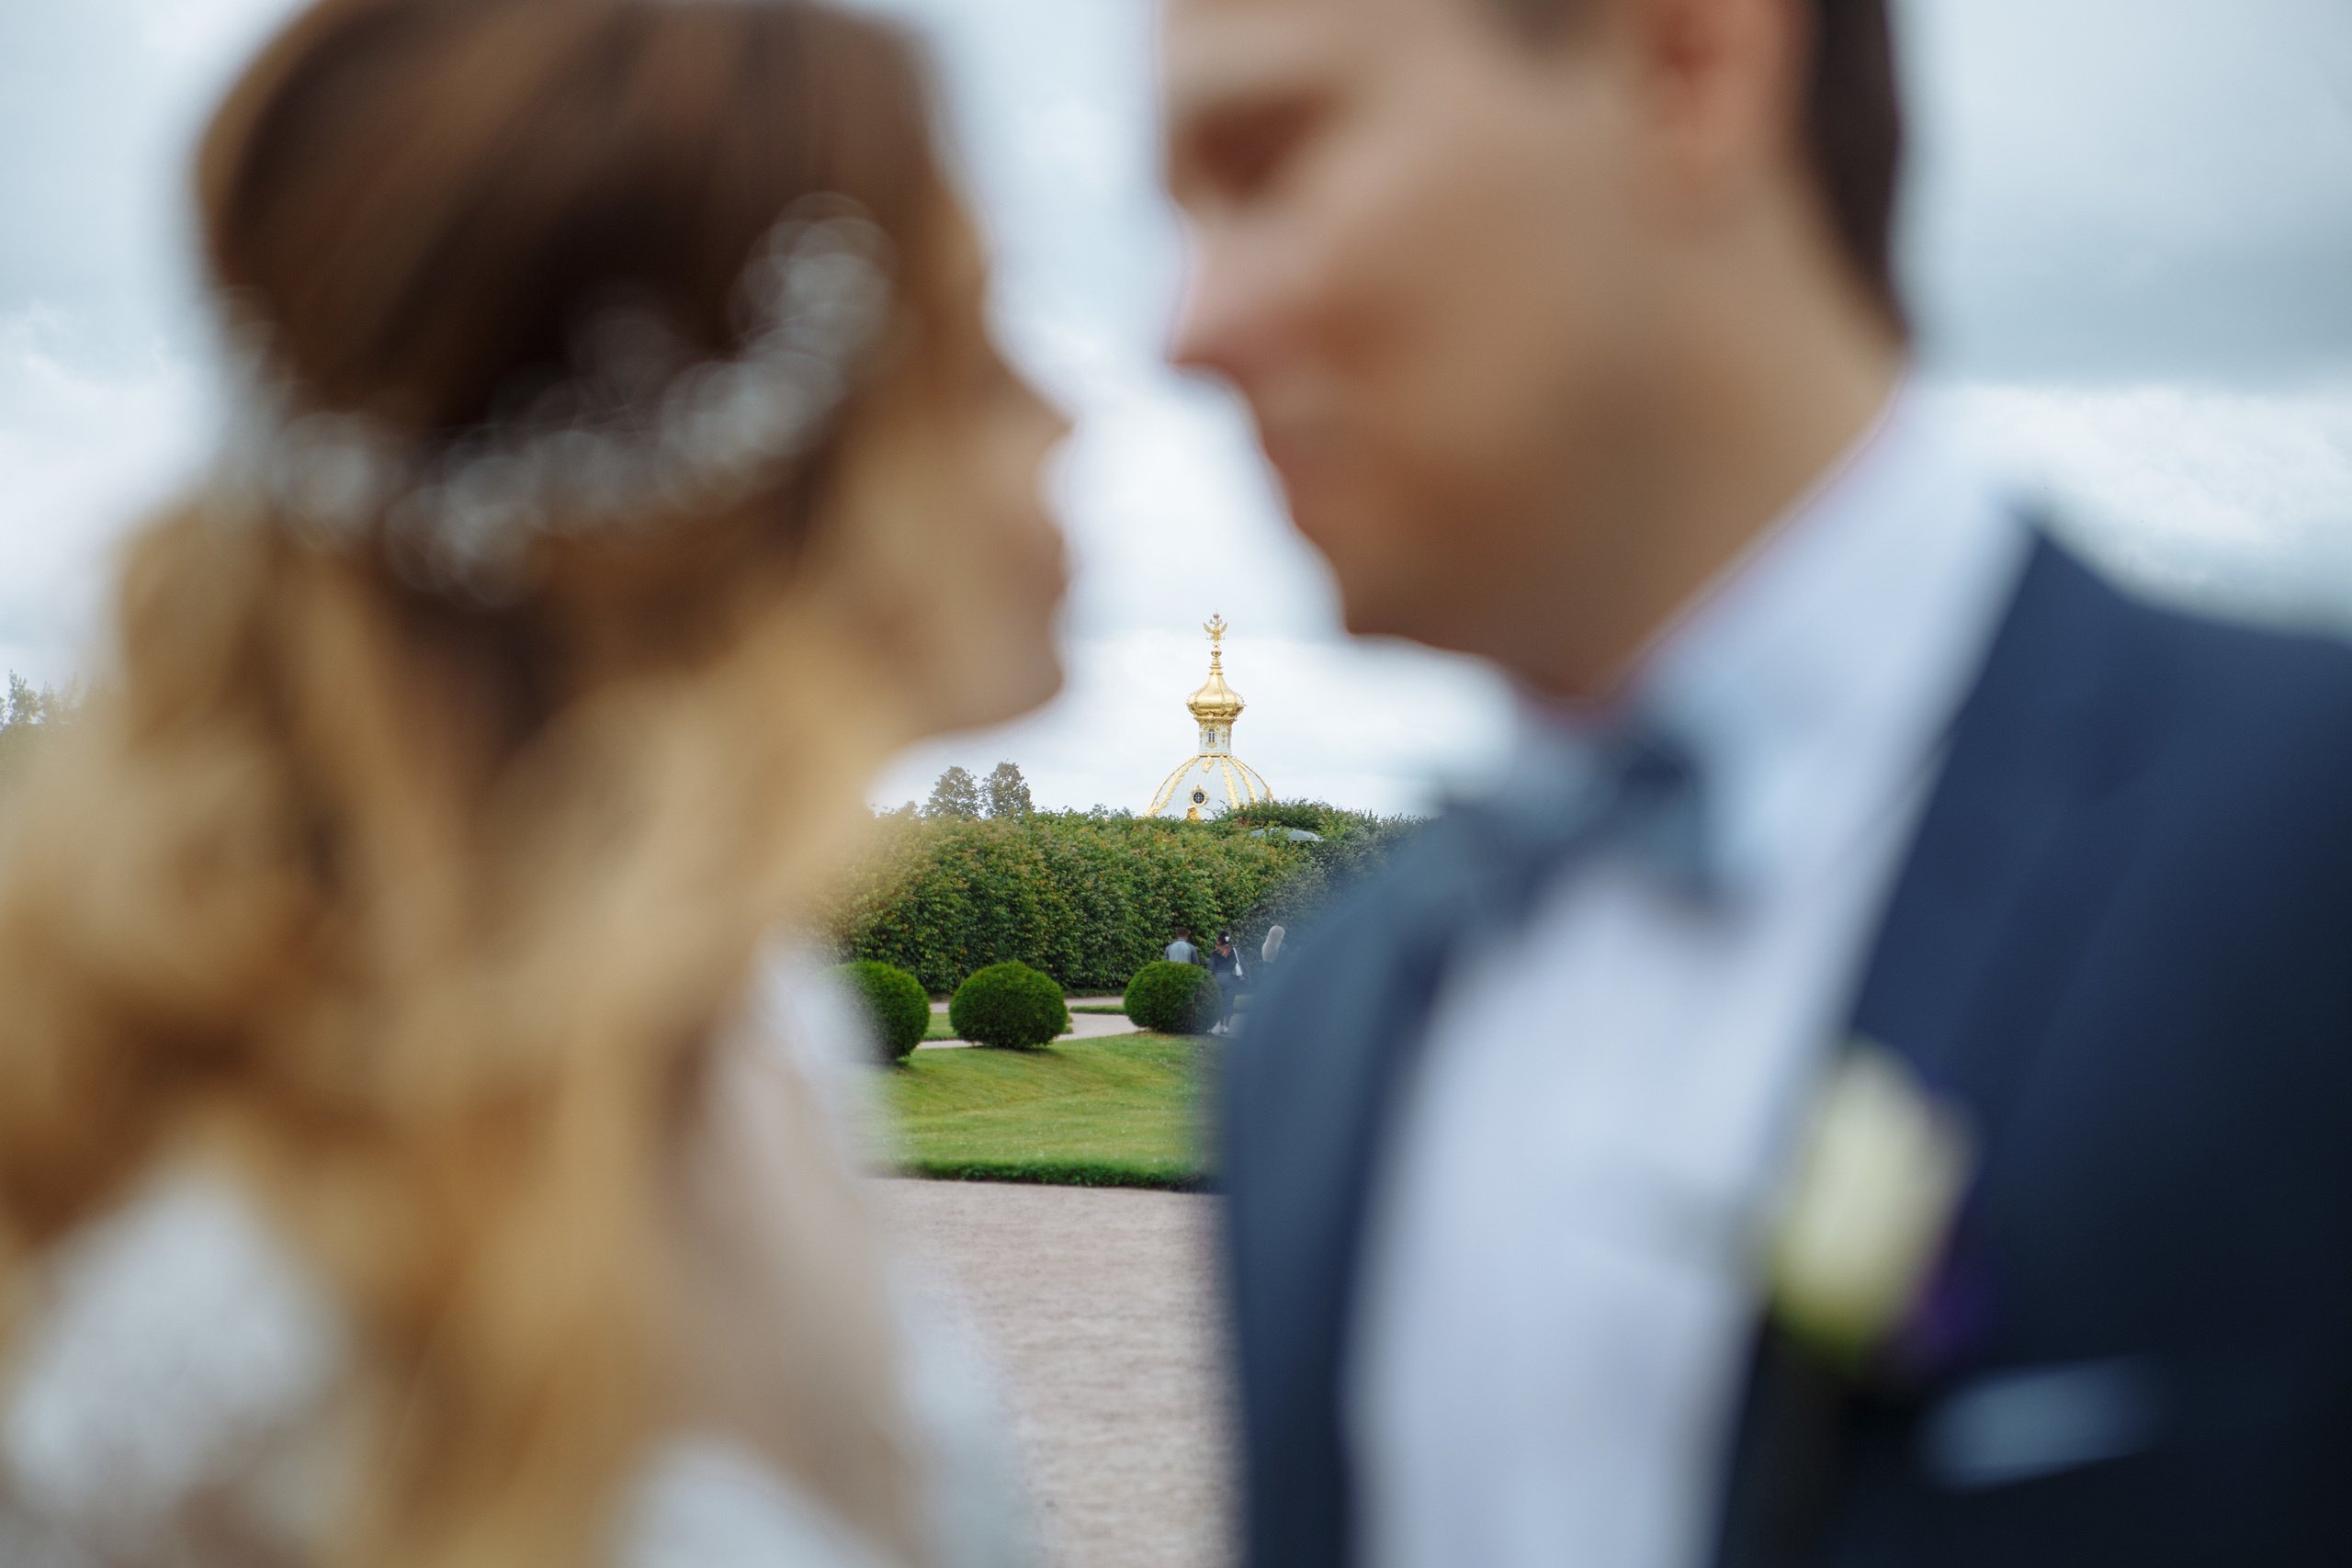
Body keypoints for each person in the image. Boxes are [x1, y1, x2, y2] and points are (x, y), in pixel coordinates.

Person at [1164, 0, 2352, 1565]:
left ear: (1687, 62)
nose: (1185, 327)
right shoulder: (1313, 1039)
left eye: (1264, 162)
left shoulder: (2306, 847)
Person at [0, 1, 1067, 1564]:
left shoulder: (753, 1022)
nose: (1066, 409)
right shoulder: (262, 1320)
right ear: (745, 477)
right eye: (979, 355)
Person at [1208, 930, 1248, 1032]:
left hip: (1218, 980)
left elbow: (1210, 968)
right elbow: (1242, 964)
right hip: (1231, 980)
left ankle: (1220, 1025)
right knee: (1229, 1002)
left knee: (1220, 1002)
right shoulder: (1234, 951)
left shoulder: (1215, 953)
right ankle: (1226, 1027)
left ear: (1219, 941)